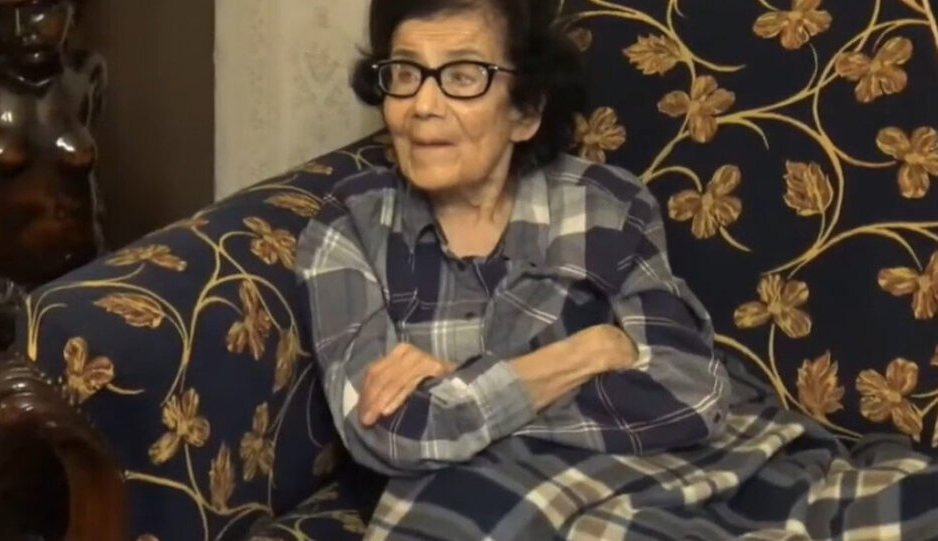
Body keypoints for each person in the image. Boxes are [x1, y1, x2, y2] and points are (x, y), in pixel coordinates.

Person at [296, 0, 730, 535]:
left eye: (462, 76)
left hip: (631, 494)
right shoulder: (350, 224)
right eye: (405, 73)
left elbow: (689, 391)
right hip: (463, 510)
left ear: (525, 112)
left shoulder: (606, 205)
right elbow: (382, 431)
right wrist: (582, 354)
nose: (422, 105)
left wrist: (455, 392)